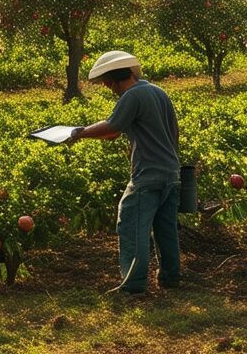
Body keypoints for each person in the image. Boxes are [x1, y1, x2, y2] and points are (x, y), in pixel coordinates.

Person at [67, 50, 181, 295]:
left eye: (107, 82)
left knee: (131, 224)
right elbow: (167, 131)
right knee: (166, 228)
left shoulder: (132, 95)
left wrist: (80, 132)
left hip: (147, 173)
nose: (108, 87)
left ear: (113, 79)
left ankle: (133, 284)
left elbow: (113, 125)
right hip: (171, 171)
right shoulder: (158, 92)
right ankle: (171, 277)